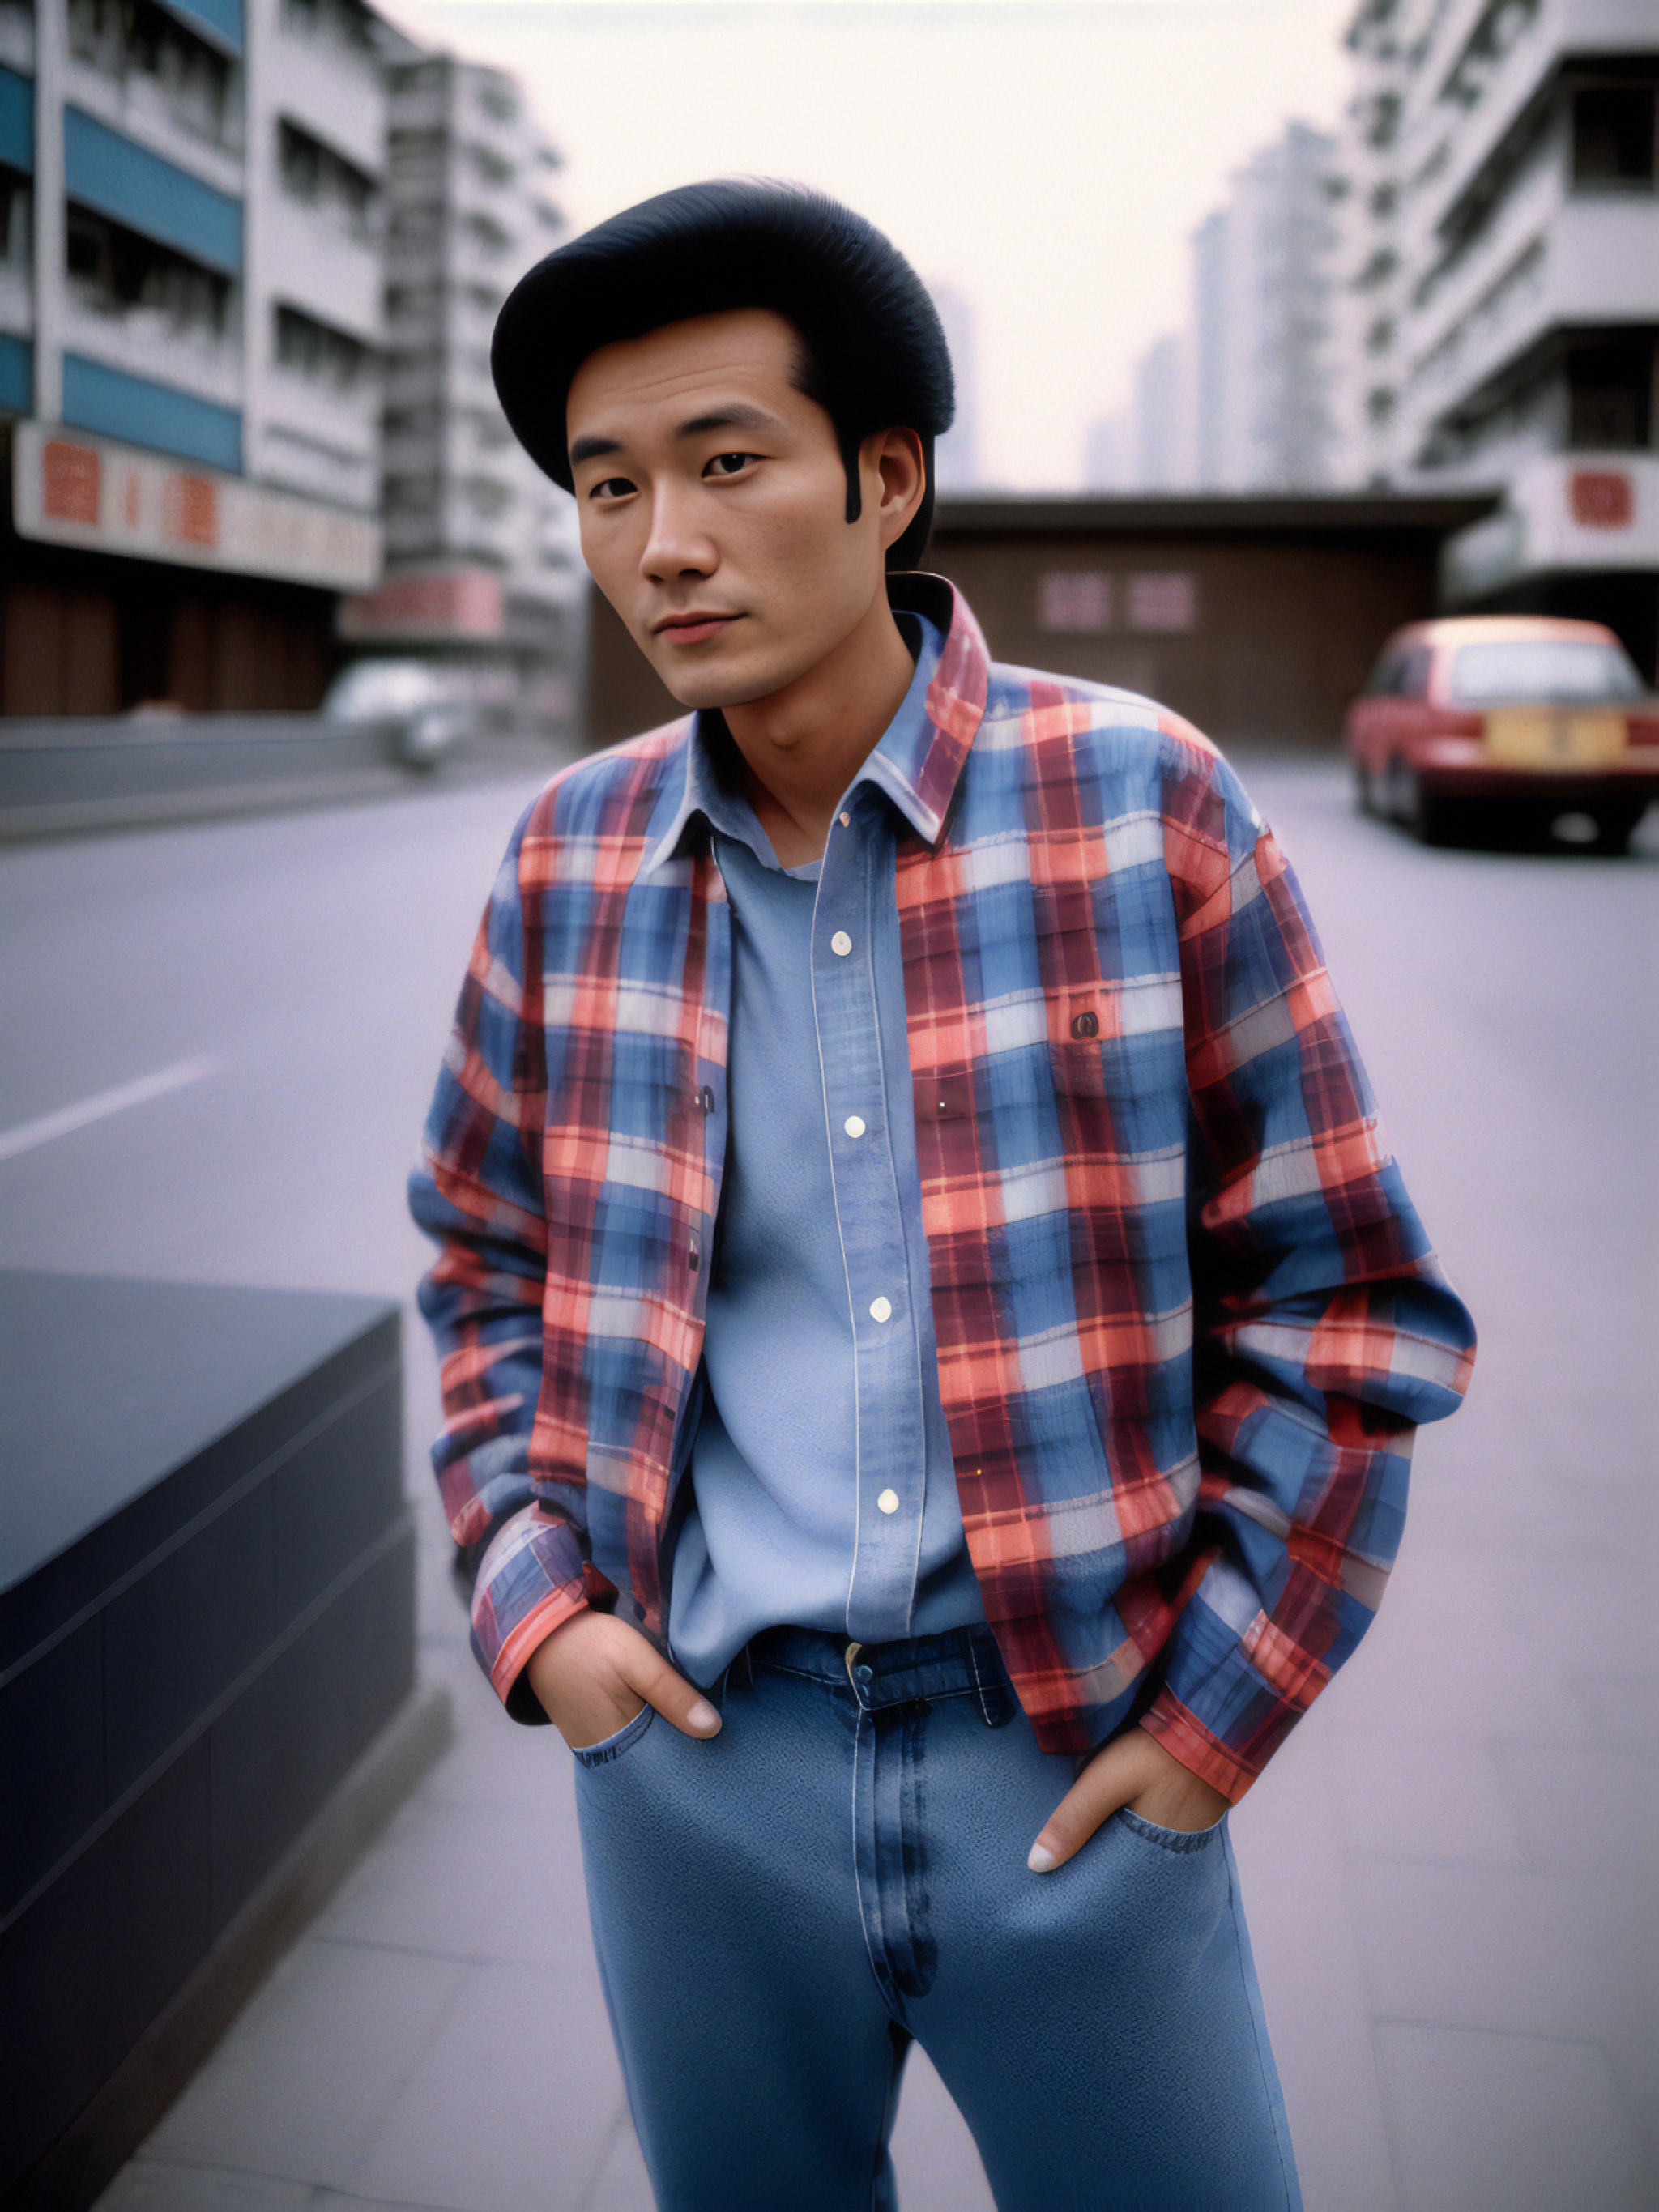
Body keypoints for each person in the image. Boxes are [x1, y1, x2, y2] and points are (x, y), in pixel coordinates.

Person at [411, 181, 1475, 2212]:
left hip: (1070, 1760)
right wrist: (538, 1613)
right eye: (608, 484)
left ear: (885, 476)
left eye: (728, 464)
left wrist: (1213, 1724)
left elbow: (1348, 1308)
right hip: (698, 1755)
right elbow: (482, 1258)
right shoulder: (566, 858)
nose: (664, 543)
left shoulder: (1141, 798)